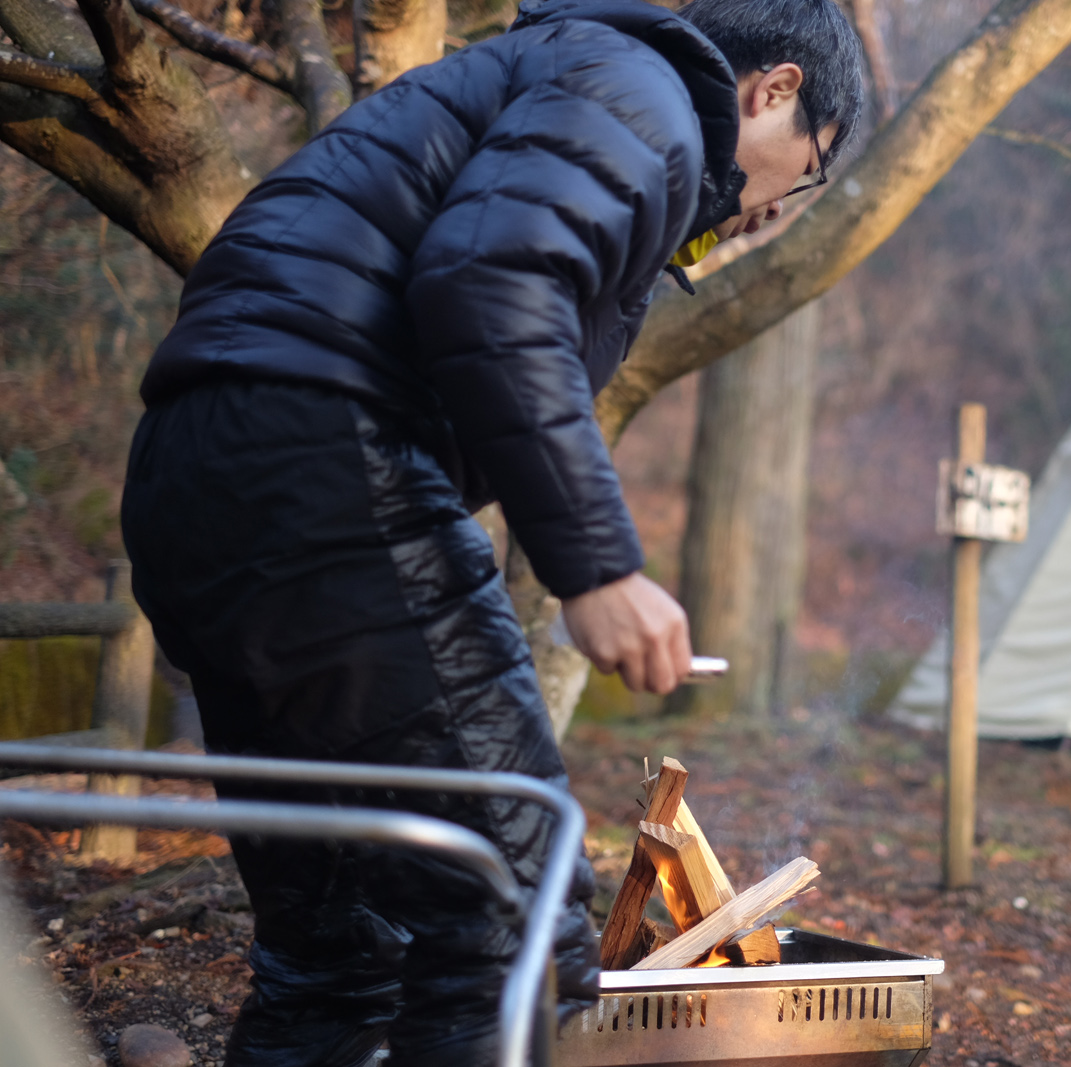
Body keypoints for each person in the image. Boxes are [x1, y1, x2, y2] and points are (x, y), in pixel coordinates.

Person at [119, 0, 865, 1063]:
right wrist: (599, 567)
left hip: (204, 477)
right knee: (511, 912)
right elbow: (491, 279)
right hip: (320, 462)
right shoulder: (641, 97)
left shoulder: (575, 92)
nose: (778, 205)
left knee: (341, 948)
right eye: (810, 167)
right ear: (776, 89)